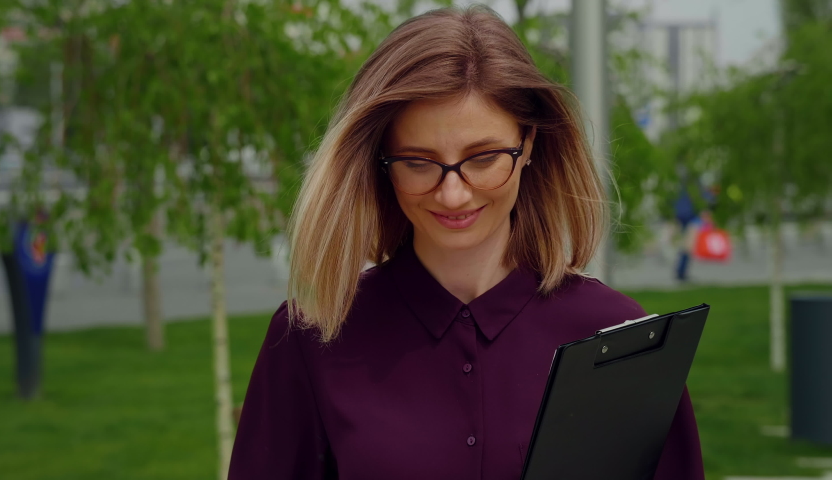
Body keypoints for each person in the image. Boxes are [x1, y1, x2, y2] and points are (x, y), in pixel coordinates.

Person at [229, 6, 704, 480]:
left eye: (483, 157)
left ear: (530, 144)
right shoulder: (312, 336)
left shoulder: (622, 337)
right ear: (380, 162)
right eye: (418, 162)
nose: (452, 193)